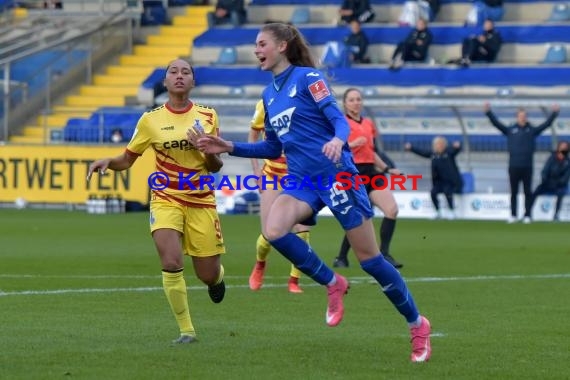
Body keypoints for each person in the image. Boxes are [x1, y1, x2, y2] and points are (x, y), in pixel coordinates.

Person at [194, 22, 431, 362]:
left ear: (283, 46)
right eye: (255, 45)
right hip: (302, 179)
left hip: (336, 175)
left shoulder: (308, 78)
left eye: (262, 43)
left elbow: (338, 119)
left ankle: (417, 323)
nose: (256, 49)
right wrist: (228, 145)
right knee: (273, 229)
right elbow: (273, 147)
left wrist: (337, 140)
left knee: (371, 260)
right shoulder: (269, 94)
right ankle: (332, 282)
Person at [87, 58, 227, 344]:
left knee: (206, 274)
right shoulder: (150, 120)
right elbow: (127, 159)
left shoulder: (208, 116)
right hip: (165, 198)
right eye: (173, 72)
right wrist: (108, 162)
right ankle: (186, 331)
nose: (179, 76)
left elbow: (215, 167)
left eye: (185, 72)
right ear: (165, 82)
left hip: (201, 200)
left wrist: (207, 150)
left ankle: (217, 278)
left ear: (193, 81)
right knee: (171, 261)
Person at [333, 88, 403, 269]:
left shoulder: (369, 124)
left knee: (392, 209)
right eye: (351, 100)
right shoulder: (340, 124)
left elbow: (371, 152)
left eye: (358, 99)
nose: (356, 102)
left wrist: (387, 169)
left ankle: (385, 253)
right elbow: (333, 151)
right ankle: (341, 257)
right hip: (353, 172)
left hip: (371, 172)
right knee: (359, 218)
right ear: (345, 103)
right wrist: (351, 145)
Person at [248, 99, 308, 294]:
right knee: (268, 235)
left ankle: (294, 280)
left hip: (300, 177)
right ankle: (260, 264)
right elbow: (253, 134)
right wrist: (256, 171)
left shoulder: (306, 103)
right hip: (272, 176)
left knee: (303, 231)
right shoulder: (265, 103)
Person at [484, 102, 560, 223]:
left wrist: (554, 113)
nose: (522, 117)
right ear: (517, 116)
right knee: (513, 192)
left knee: (527, 191)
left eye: (524, 115)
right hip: (513, 165)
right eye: (520, 115)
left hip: (527, 165)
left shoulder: (531, 130)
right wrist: (488, 112)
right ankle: (513, 215)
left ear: (526, 117)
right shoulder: (511, 130)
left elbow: (546, 125)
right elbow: (497, 124)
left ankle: (527, 215)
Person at [405, 137, 463, 220]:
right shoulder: (433, 154)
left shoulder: (449, 152)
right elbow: (422, 152)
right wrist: (411, 148)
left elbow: (456, 150)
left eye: (440, 144)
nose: (438, 146)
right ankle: (438, 211)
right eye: (436, 144)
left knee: (448, 192)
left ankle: (452, 211)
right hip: (438, 182)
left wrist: (458, 146)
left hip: (450, 181)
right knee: (433, 193)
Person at [530, 140, 570, 221]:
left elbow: (566, 177)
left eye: (565, 148)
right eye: (561, 147)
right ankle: (528, 212)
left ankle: (556, 215)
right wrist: (545, 180)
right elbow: (545, 171)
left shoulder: (568, 162)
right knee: (536, 191)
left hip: (559, 185)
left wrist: (558, 183)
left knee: (561, 193)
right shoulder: (551, 158)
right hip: (548, 183)